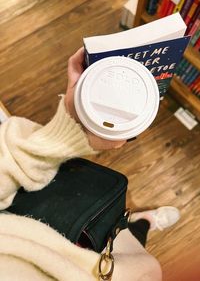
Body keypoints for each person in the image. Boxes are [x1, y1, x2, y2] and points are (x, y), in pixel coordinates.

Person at [0, 47, 180, 280]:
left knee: (116, 231)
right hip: (114, 271)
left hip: (63, 221)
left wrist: (73, 128)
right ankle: (143, 222)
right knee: (126, 245)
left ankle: (138, 223)